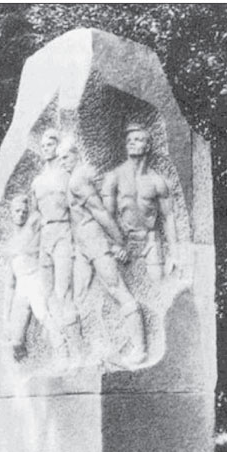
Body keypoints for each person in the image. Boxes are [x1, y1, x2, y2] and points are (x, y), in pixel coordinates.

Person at [57, 138, 147, 367]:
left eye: (65, 157)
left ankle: (140, 348)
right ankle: (87, 352)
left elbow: (100, 212)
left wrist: (119, 241)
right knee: (78, 296)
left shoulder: (78, 180)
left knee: (116, 288)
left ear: (76, 154)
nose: (62, 162)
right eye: (59, 159)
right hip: (82, 246)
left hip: (95, 241)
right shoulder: (75, 177)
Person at [101, 122, 178, 281]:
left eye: (137, 139)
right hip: (124, 241)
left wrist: (174, 253)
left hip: (151, 240)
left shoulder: (156, 181)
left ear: (147, 147)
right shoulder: (114, 177)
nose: (131, 142)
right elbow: (105, 217)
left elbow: (168, 216)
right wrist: (114, 245)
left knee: (158, 282)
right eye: (129, 140)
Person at [30, 129, 82, 357]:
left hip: (63, 232)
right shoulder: (37, 181)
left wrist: (78, 242)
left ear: (57, 145)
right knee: (47, 293)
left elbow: (76, 210)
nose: (46, 148)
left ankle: (78, 350)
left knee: (64, 292)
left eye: (50, 144)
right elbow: (34, 214)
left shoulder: (66, 176)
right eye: (43, 145)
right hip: (46, 237)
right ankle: (62, 350)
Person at [3, 193, 65, 360]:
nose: (21, 215)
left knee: (44, 316)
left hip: (35, 280)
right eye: (17, 211)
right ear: (11, 213)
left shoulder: (32, 229)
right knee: (16, 339)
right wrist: (5, 316)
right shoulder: (9, 245)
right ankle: (25, 366)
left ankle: (63, 354)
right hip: (21, 288)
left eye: (24, 211)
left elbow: (41, 216)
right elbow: (10, 284)